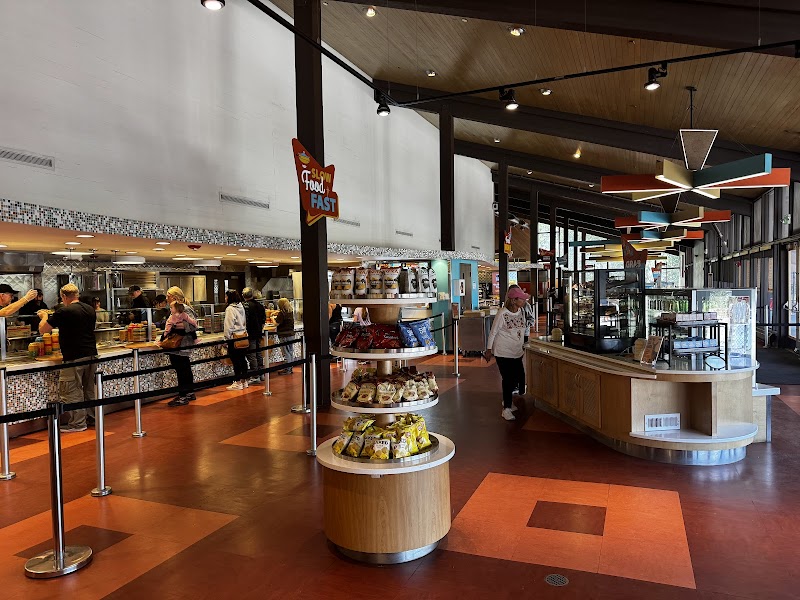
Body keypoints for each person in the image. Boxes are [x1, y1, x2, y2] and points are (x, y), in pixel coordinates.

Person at [37, 284, 97, 433]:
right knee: (89, 388)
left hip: (74, 355)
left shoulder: (64, 311)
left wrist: (44, 316)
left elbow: (43, 330)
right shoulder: (90, 309)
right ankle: (92, 418)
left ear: (63, 296)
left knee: (71, 390)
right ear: (77, 294)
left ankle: (77, 424)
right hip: (91, 353)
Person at [484, 287, 529, 421]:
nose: (524, 301)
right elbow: (493, 332)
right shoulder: (502, 313)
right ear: (514, 300)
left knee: (518, 378)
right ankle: (506, 409)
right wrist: (488, 350)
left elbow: (522, 328)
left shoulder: (521, 311)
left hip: (517, 351)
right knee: (508, 379)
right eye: (521, 299)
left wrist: (524, 342)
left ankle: (507, 400)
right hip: (503, 352)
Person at [163, 286, 198, 406]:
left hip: (181, 343)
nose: (167, 298)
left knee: (182, 369)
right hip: (183, 343)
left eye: (168, 296)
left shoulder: (185, 309)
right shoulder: (178, 308)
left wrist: (174, 329)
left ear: (174, 297)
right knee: (185, 367)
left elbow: (192, 326)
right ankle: (189, 392)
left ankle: (183, 396)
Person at [224, 290, 249, 390]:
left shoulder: (230, 309)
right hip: (243, 336)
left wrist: (227, 338)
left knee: (236, 361)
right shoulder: (241, 306)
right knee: (243, 360)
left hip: (234, 338)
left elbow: (228, 325)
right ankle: (245, 381)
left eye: (226, 297)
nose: (225, 298)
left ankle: (238, 382)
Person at [243, 287, 266, 384]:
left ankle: (255, 375)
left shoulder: (245, 306)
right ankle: (261, 373)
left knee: (252, 354)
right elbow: (263, 320)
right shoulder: (260, 305)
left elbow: (244, 321)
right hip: (258, 332)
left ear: (244, 296)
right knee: (258, 353)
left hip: (250, 333)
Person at [274, 297, 295, 375]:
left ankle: (288, 369)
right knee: (290, 351)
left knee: (285, 352)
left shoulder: (281, 313)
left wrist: (273, 319)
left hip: (284, 335)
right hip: (291, 334)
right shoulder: (290, 311)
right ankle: (290, 367)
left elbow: (276, 323)